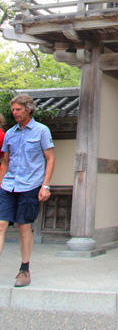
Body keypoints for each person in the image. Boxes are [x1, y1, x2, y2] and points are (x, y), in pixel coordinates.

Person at [0, 94, 55, 287]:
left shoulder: (41, 131)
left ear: (28, 109)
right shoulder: (10, 134)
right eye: (13, 110)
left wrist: (45, 185)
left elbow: (50, 158)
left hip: (30, 184)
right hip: (8, 184)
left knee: (24, 226)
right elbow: (5, 161)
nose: (14, 113)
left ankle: (24, 269)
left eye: (18, 109)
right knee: (1, 224)